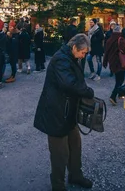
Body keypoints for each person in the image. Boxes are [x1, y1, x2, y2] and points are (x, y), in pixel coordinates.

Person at [33, 34, 94, 191]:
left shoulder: (71, 58)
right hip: (56, 112)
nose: (84, 56)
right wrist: (87, 92)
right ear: (74, 47)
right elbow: (68, 83)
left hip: (68, 112)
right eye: (83, 52)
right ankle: (58, 185)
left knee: (75, 146)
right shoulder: (61, 59)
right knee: (60, 153)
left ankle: (75, 175)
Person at [103, 24, 125, 105]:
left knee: (118, 79)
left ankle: (120, 94)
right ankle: (113, 96)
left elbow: (106, 52)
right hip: (120, 62)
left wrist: (105, 62)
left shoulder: (109, 39)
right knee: (120, 80)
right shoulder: (120, 39)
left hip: (112, 62)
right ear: (120, 31)